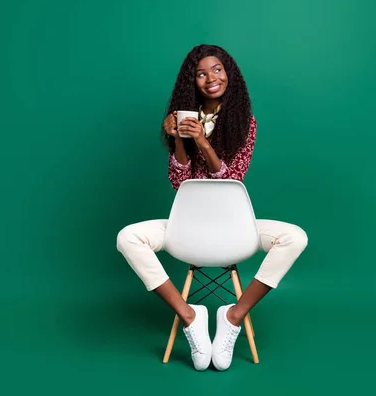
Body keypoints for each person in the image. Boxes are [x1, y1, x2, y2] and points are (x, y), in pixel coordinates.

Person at [116, 44, 308, 371]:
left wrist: (203, 142)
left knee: (295, 237)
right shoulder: (185, 119)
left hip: (234, 226)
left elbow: (232, 179)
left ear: (229, 73)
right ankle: (189, 316)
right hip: (187, 227)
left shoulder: (245, 122)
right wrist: (178, 138)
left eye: (216, 69)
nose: (210, 78)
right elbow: (179, 183)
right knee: (127, 238)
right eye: (201, 73)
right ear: (192, 83)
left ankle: (233, 316)